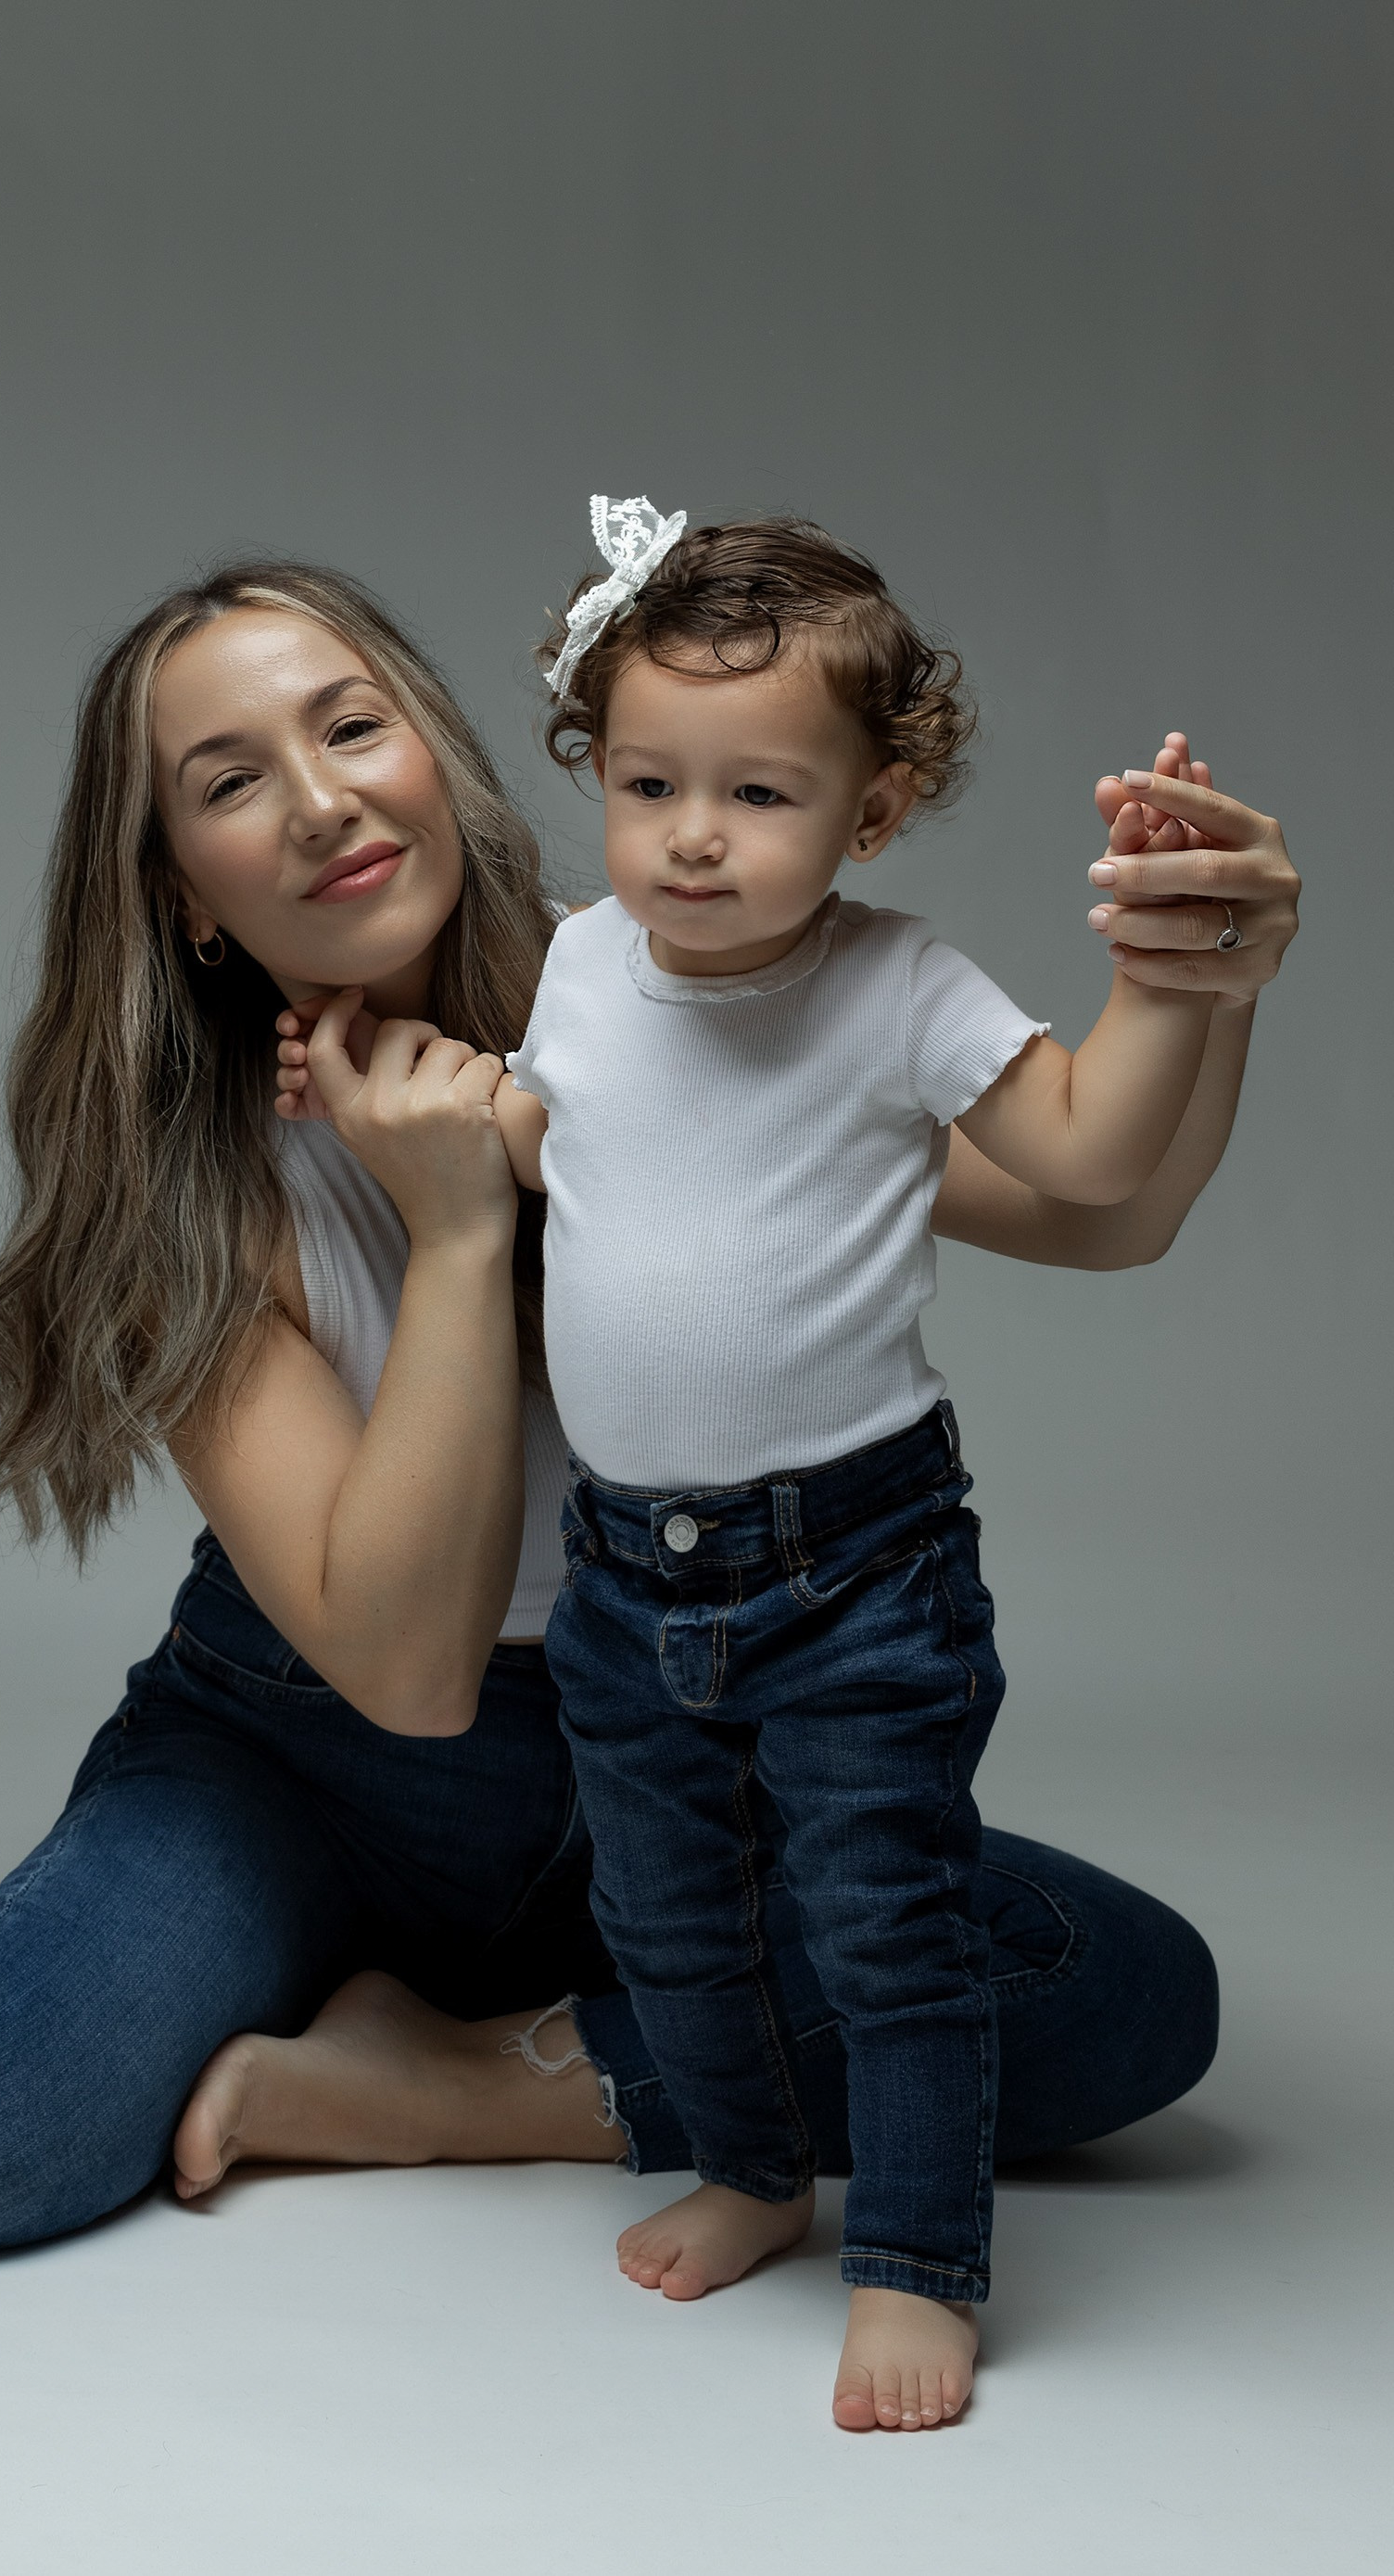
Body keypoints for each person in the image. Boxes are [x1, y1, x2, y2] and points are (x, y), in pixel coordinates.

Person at [0, 562, 1297, 2395]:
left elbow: (1102, 1209)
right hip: (306, 1763)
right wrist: (458, 1234)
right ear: (185, 893)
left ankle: (470, 2081)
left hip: (675, 1738)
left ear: (442, 757)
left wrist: (1193, 983)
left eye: (348, 727)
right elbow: (405, 1668)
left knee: (1113, 1994)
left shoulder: (648, 999)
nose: (316, 804)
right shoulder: (182, 1198)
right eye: (230, 782)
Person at [461, 501, 1234, 2432]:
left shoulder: (897, 986)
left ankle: (911, 2258)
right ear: (596, 775)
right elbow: (571, 1150)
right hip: (622, 1573)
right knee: (660, 1917)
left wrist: (1157, 981)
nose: (691, 836)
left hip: (850, 1570)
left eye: (757, 792)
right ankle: (740, 2164)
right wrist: (439, 1115)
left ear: (871, 814)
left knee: (882, 1926)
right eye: (647, 784)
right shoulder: (572, 959)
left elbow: (1068, 1157)